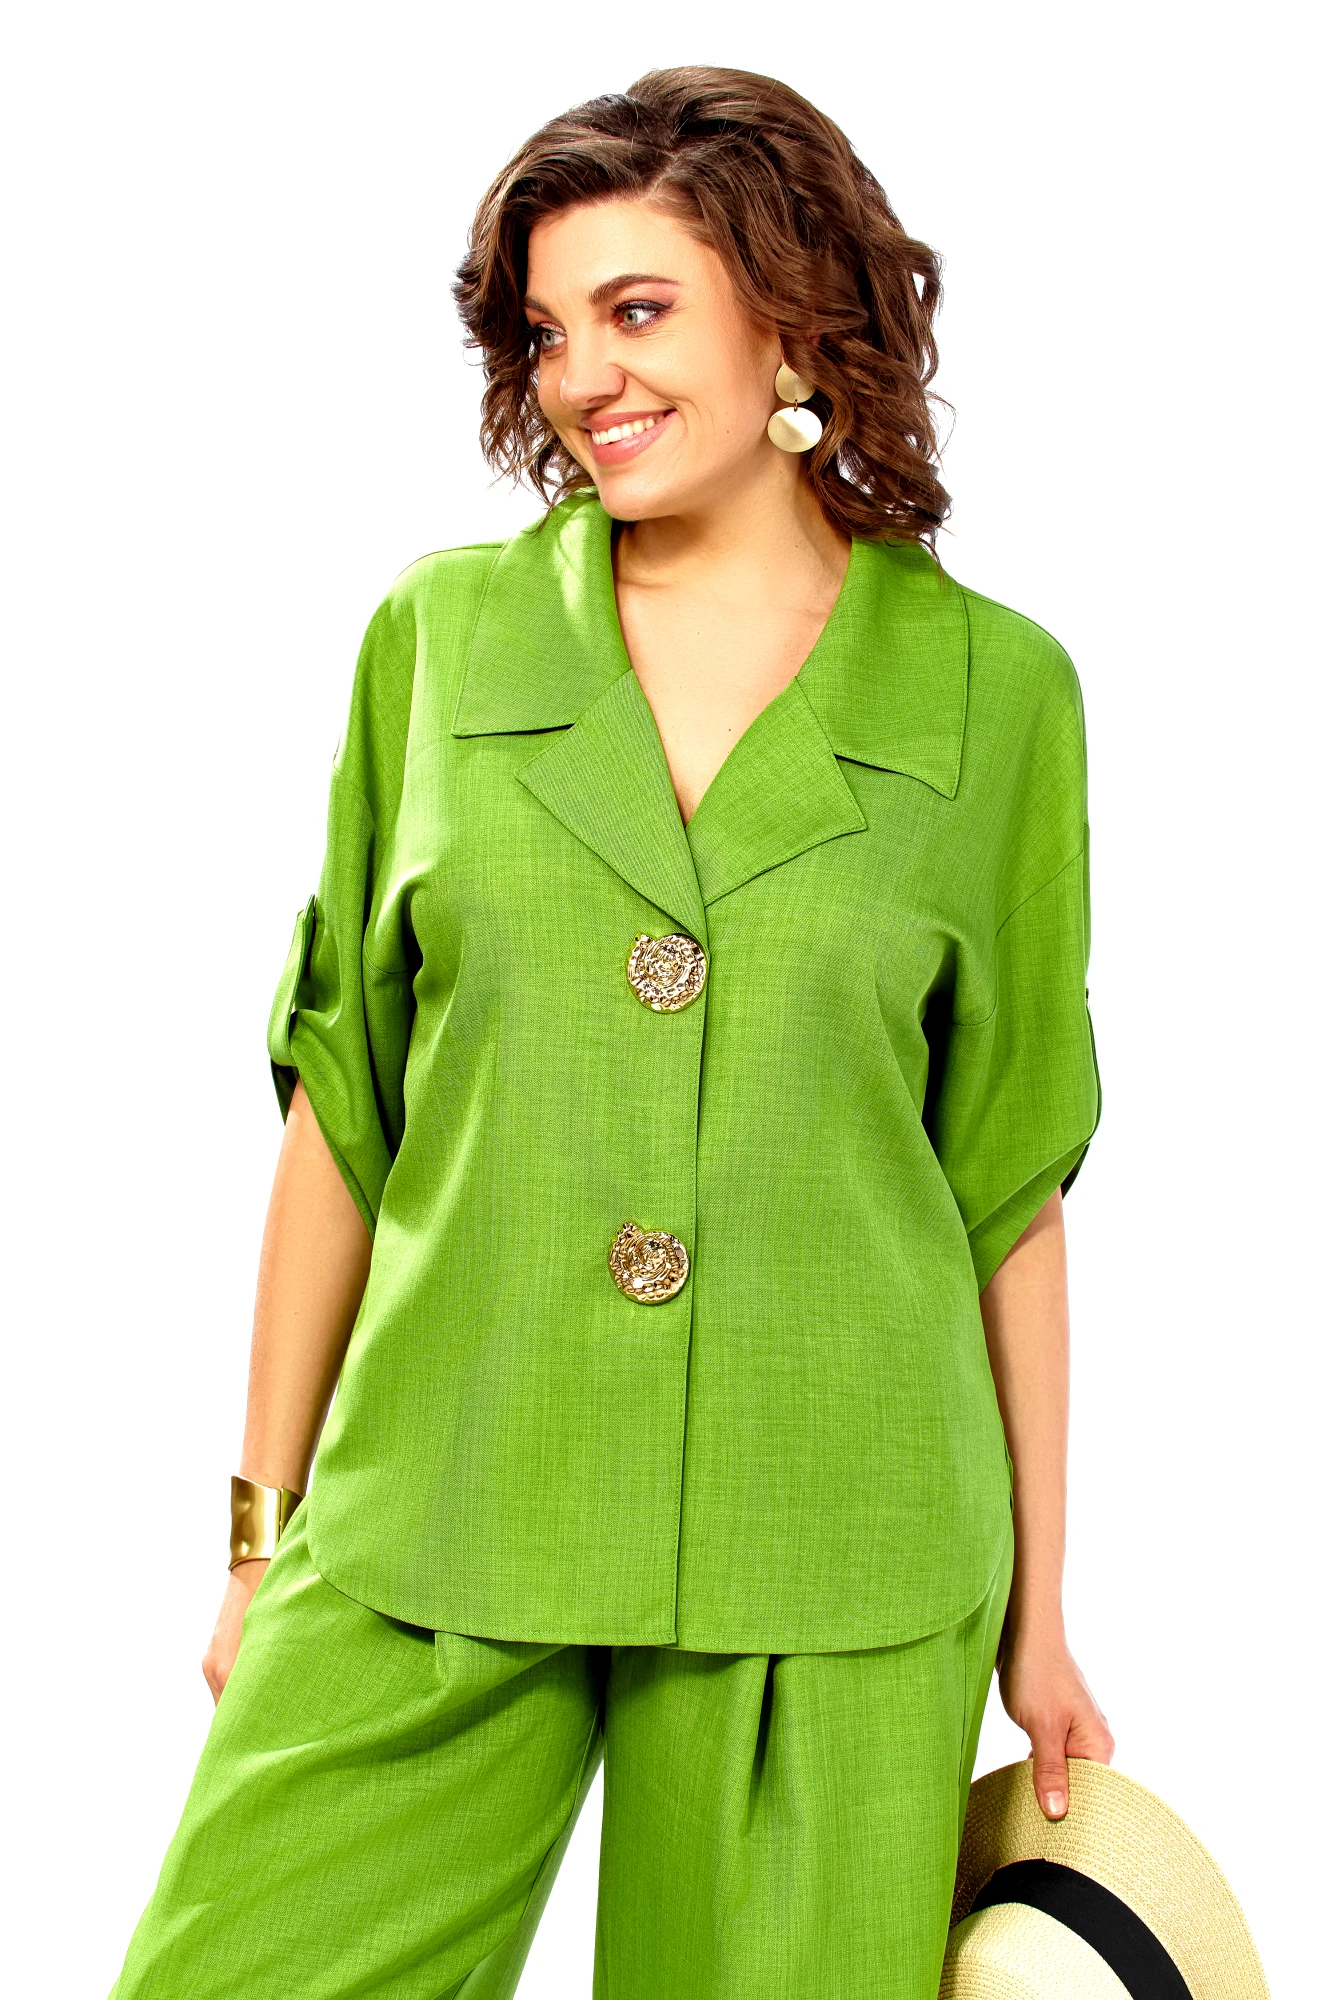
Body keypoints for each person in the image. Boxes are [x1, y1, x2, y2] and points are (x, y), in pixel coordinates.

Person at [112, 66, 1112, 2000]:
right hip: (443, 1496)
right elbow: (342, 1106)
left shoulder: (997, 692)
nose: (584, 377)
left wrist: (1043, 1616)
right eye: (548, 332)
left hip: (838, 1532)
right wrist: (259, 1531)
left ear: (792, 317)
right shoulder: (442, 641)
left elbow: (1007, 1178)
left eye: (637, 310)